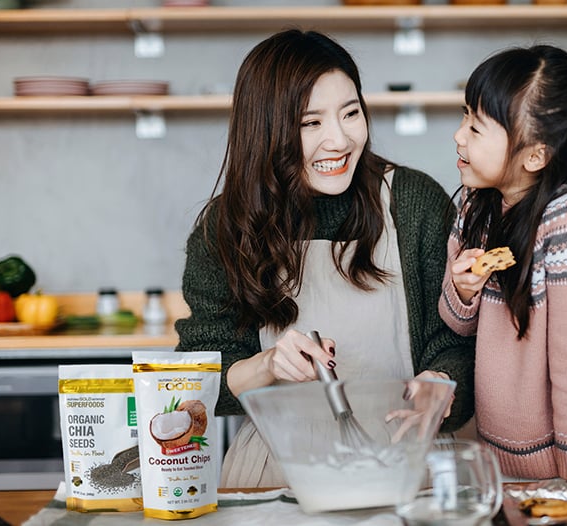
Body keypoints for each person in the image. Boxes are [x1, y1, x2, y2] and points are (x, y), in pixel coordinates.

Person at [174, 29, 475, 488]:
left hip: (411, 457)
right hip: (278, 467)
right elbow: (199, 374)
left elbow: (459, 340)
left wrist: (442, 380)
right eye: (310, 123)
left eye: (351, 113)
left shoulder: (413, 204)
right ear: (267, 130)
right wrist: (269, 364)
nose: (338, 140)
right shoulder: (225, 228)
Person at [438, 44, 567, 488]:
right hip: (501, 447)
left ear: (534, 156)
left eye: (476, 128)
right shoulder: (477, 206)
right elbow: (458, 326)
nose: (458, 135)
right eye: (464, 117)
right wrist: (464, 290)